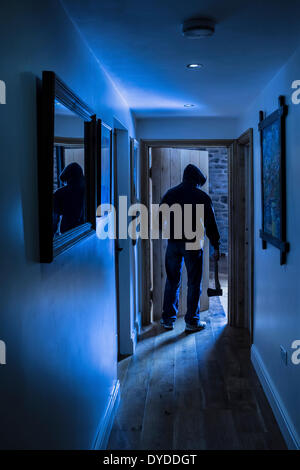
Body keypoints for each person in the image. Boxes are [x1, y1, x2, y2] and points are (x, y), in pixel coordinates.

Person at [160, 163, 220, 332]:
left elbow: (159, 220)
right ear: (196, 181)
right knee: (194, 283)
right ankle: (192, 322)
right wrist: (216, 246)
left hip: (173, 243)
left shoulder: (169, 194)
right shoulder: (202, 197)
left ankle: (167, 320)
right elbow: (211, 226)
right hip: (193, 243)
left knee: (172, 281)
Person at [53, 162, 85, 236]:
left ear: (67, 179)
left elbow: (54, 219)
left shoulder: (59, 193)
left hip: (67, 232)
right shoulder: (88, 191)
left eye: (64, 182)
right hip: (84, 229)